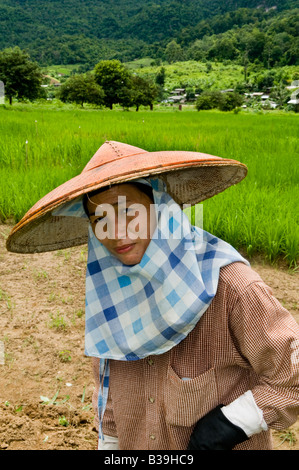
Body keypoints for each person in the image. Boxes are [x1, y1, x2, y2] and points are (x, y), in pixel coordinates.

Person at [6, 141, 299, 451]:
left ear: (160, 206)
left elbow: (291, 375)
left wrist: (234, 422)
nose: (116, 232)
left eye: (127, 211)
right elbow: (108, 403)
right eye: (100, 219)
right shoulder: (109, 300)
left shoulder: (230, 287)